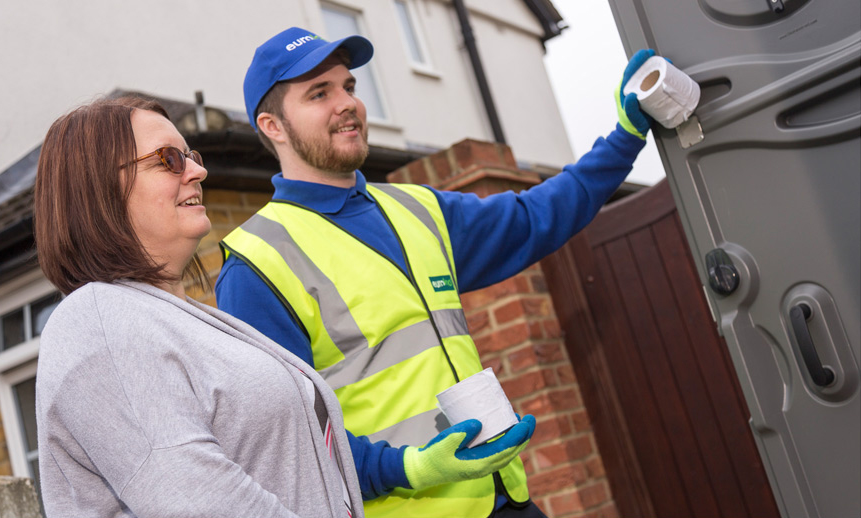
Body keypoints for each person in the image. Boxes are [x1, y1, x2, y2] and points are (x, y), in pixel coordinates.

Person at [216, 26, 660, 518]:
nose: (347, 103)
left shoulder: (418, 209)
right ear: (273, 126)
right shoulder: (257, 265)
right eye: (319, 93)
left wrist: (624, 138)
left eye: (349, 87)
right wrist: (412, 469)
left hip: (506, 500)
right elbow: (289, 446)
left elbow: (535, 218)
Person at [33, 96, 368, 517]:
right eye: (169, 159)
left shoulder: (179, 317)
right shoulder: (97, 322)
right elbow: (201, 501)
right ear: (98, 188)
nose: (198, 170)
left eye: (191, 155)